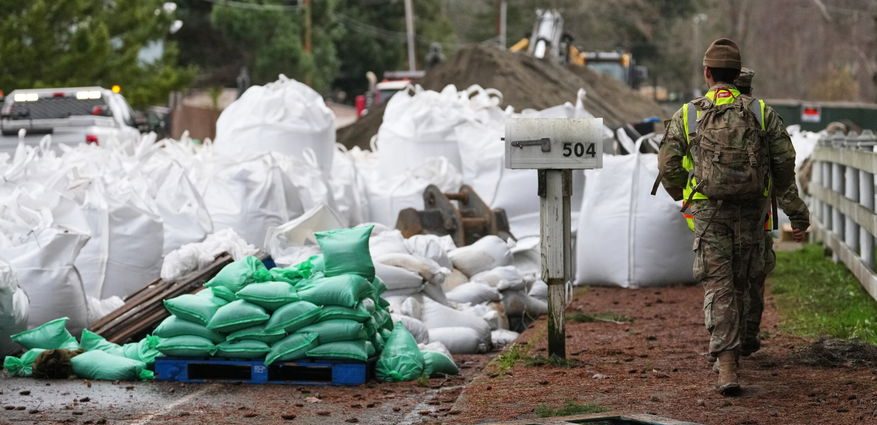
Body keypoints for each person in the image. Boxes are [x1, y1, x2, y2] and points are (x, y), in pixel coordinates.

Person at [657, 38, 810, 396]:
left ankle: (727, 365)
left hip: (710, 211)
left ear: (707, 73)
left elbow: (667, 164)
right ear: (738, 74)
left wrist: (683, 195)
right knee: (748, 276)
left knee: (719, 284)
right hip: (754, 211)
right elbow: (784, 164)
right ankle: (746, 340)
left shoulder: (688, 113)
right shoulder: (760, 111)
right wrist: (797, 214)